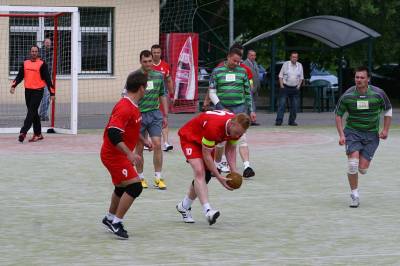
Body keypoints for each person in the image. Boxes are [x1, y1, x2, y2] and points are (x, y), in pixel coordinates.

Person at [176, 110, 251, 225]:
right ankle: (208, 211)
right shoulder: (214, 127)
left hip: (206, 141)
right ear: (231, 124)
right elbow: (206, 155)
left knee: (205, 177)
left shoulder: (237, 128)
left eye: (239, 134)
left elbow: (230, 149)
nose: (237, 136)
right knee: (199, 172)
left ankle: (184, 206)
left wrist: (234, 171)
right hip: (190, 138)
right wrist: (219, 176)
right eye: (236, 132)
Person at [101, 71, 150, 239]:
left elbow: (130, 130)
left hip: (119, 154)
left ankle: (109, 218)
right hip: (113, 155)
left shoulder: (133, 106)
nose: (146, 90)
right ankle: (116, 222)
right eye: (146, 87)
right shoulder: (125, 107)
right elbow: (113, 133)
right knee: (135, 186)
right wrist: (130, 154)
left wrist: (144, 140)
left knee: (121, 187)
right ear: (141, 88)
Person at [334, 66, 392, 208]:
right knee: (352, 165)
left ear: (368, 79)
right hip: (353, 132)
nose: (358, 80)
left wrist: (385, 130)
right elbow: (338, 114)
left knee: (363, 169)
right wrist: (341, 135)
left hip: (372, 135)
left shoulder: (378, 94)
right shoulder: (348, 95)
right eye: (357, 77)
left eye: (361, 77)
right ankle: (355, 195)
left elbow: (388, 109)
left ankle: (359, 155)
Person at [209, 48, 256, 178]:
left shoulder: (243, 71)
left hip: (239, 109)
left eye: (239, 61)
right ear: (228, 57)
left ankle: (247, 166)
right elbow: (212, 91)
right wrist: (220, 106)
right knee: (221, 140)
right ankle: (217, 165)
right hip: (222, 109)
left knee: (240, 138)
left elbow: (248, 92)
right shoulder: (217, 71)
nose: (236, 63)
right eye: (234, 61)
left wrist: (251, 110)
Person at [126, 50, 169, 189]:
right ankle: (140, 177)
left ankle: (158, 177)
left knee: (157, 144)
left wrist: (165, 115)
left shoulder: (158, 76)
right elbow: (127, 96)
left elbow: (162, 95)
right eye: (145, 61)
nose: (148, 63)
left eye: (150, 61)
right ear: (140, 62)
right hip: (139, 115)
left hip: (155, 114)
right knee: (139, 147)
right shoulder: (134, 77)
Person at [10, 45, 55, 143]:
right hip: (28, 91)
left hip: (38, 91)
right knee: (34, 113)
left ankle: (23, 132)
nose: (34, 53)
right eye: (32, 51)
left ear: (38, 53)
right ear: (30, 52)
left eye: (35, 51)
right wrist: (13, 86)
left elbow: (47, 79)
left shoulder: (42, 64)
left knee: (30, 112)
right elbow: (19, 76)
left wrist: (52, 92)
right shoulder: (25, 63)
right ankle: (38, 134)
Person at [151, 44, 174, 152]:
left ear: (161, 53)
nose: (156, 54)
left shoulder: (165, 66)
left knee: (164, 117)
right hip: (149, 98)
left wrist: (172, 94)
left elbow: (169, 81)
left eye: (158, 52)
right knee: (147, 119)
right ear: (151, 53)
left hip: (162, 97)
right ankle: (147, 143)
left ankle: (165, 142)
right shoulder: (148, 65)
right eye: (154, 52)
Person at [275, 51, 304, 126]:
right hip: (285, 87)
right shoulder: (286, 64)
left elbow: (301, 78)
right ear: (290, 57)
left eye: (296, 57)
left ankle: (292, 121)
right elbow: (280, 76)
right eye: (293, 57)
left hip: (295, 88)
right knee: (282, 104)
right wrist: (281, 86)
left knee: (294, 106)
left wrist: (298, 86)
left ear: (297, 58)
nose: (294, 58)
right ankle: (279, 121)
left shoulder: (300, 65)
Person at [243, 49, 261, 126]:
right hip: (249, 87)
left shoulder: (255, 63)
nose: (253, 57)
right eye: (251, 55)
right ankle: (246, 121)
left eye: (254, 55)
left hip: (256, 87)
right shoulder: (244, 64)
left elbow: (256, 75)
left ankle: (252, 120)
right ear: (248, 55)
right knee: (248, 105)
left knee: (254, 104)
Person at [38, 38, 53, 121]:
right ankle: (42, 114)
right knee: (45, 95)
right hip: (41, 77)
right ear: (44, 43)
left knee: (47, 96)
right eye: (47, 43)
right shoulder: (40, 52)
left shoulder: (52, 52)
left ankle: (43, 114)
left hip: (48, 77)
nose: (48, 44)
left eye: (49, 43)